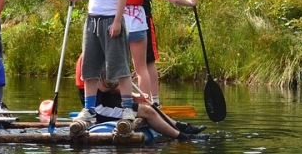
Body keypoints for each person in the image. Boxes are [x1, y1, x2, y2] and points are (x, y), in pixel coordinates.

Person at [67, 0, 135, 125]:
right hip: (92, 20)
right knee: (89, 66)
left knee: (119, 67)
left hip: (110, 21)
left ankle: (128, 110)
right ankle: (89, 109)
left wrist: (116, 22)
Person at [75, 54, 208, 139]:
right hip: (99, 108)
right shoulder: (91, 58)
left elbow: (111, 87)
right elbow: (103, 86)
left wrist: (134, 96)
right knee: (147, 111)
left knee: (146, 105)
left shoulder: (105, 51)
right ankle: (182, 136)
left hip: (108, 101)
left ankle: (180, 126)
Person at [111, 0, 165, 99]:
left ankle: (125, 102)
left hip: (119, 25)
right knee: (142, 68)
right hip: (140, 25)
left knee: (121, 69)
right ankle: (147, 103)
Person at [144, 0, 199, 106]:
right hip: (142, 22)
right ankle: (154, 101)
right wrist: (190, 3)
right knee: (149, 63)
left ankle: (127, 100)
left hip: (120, 21)